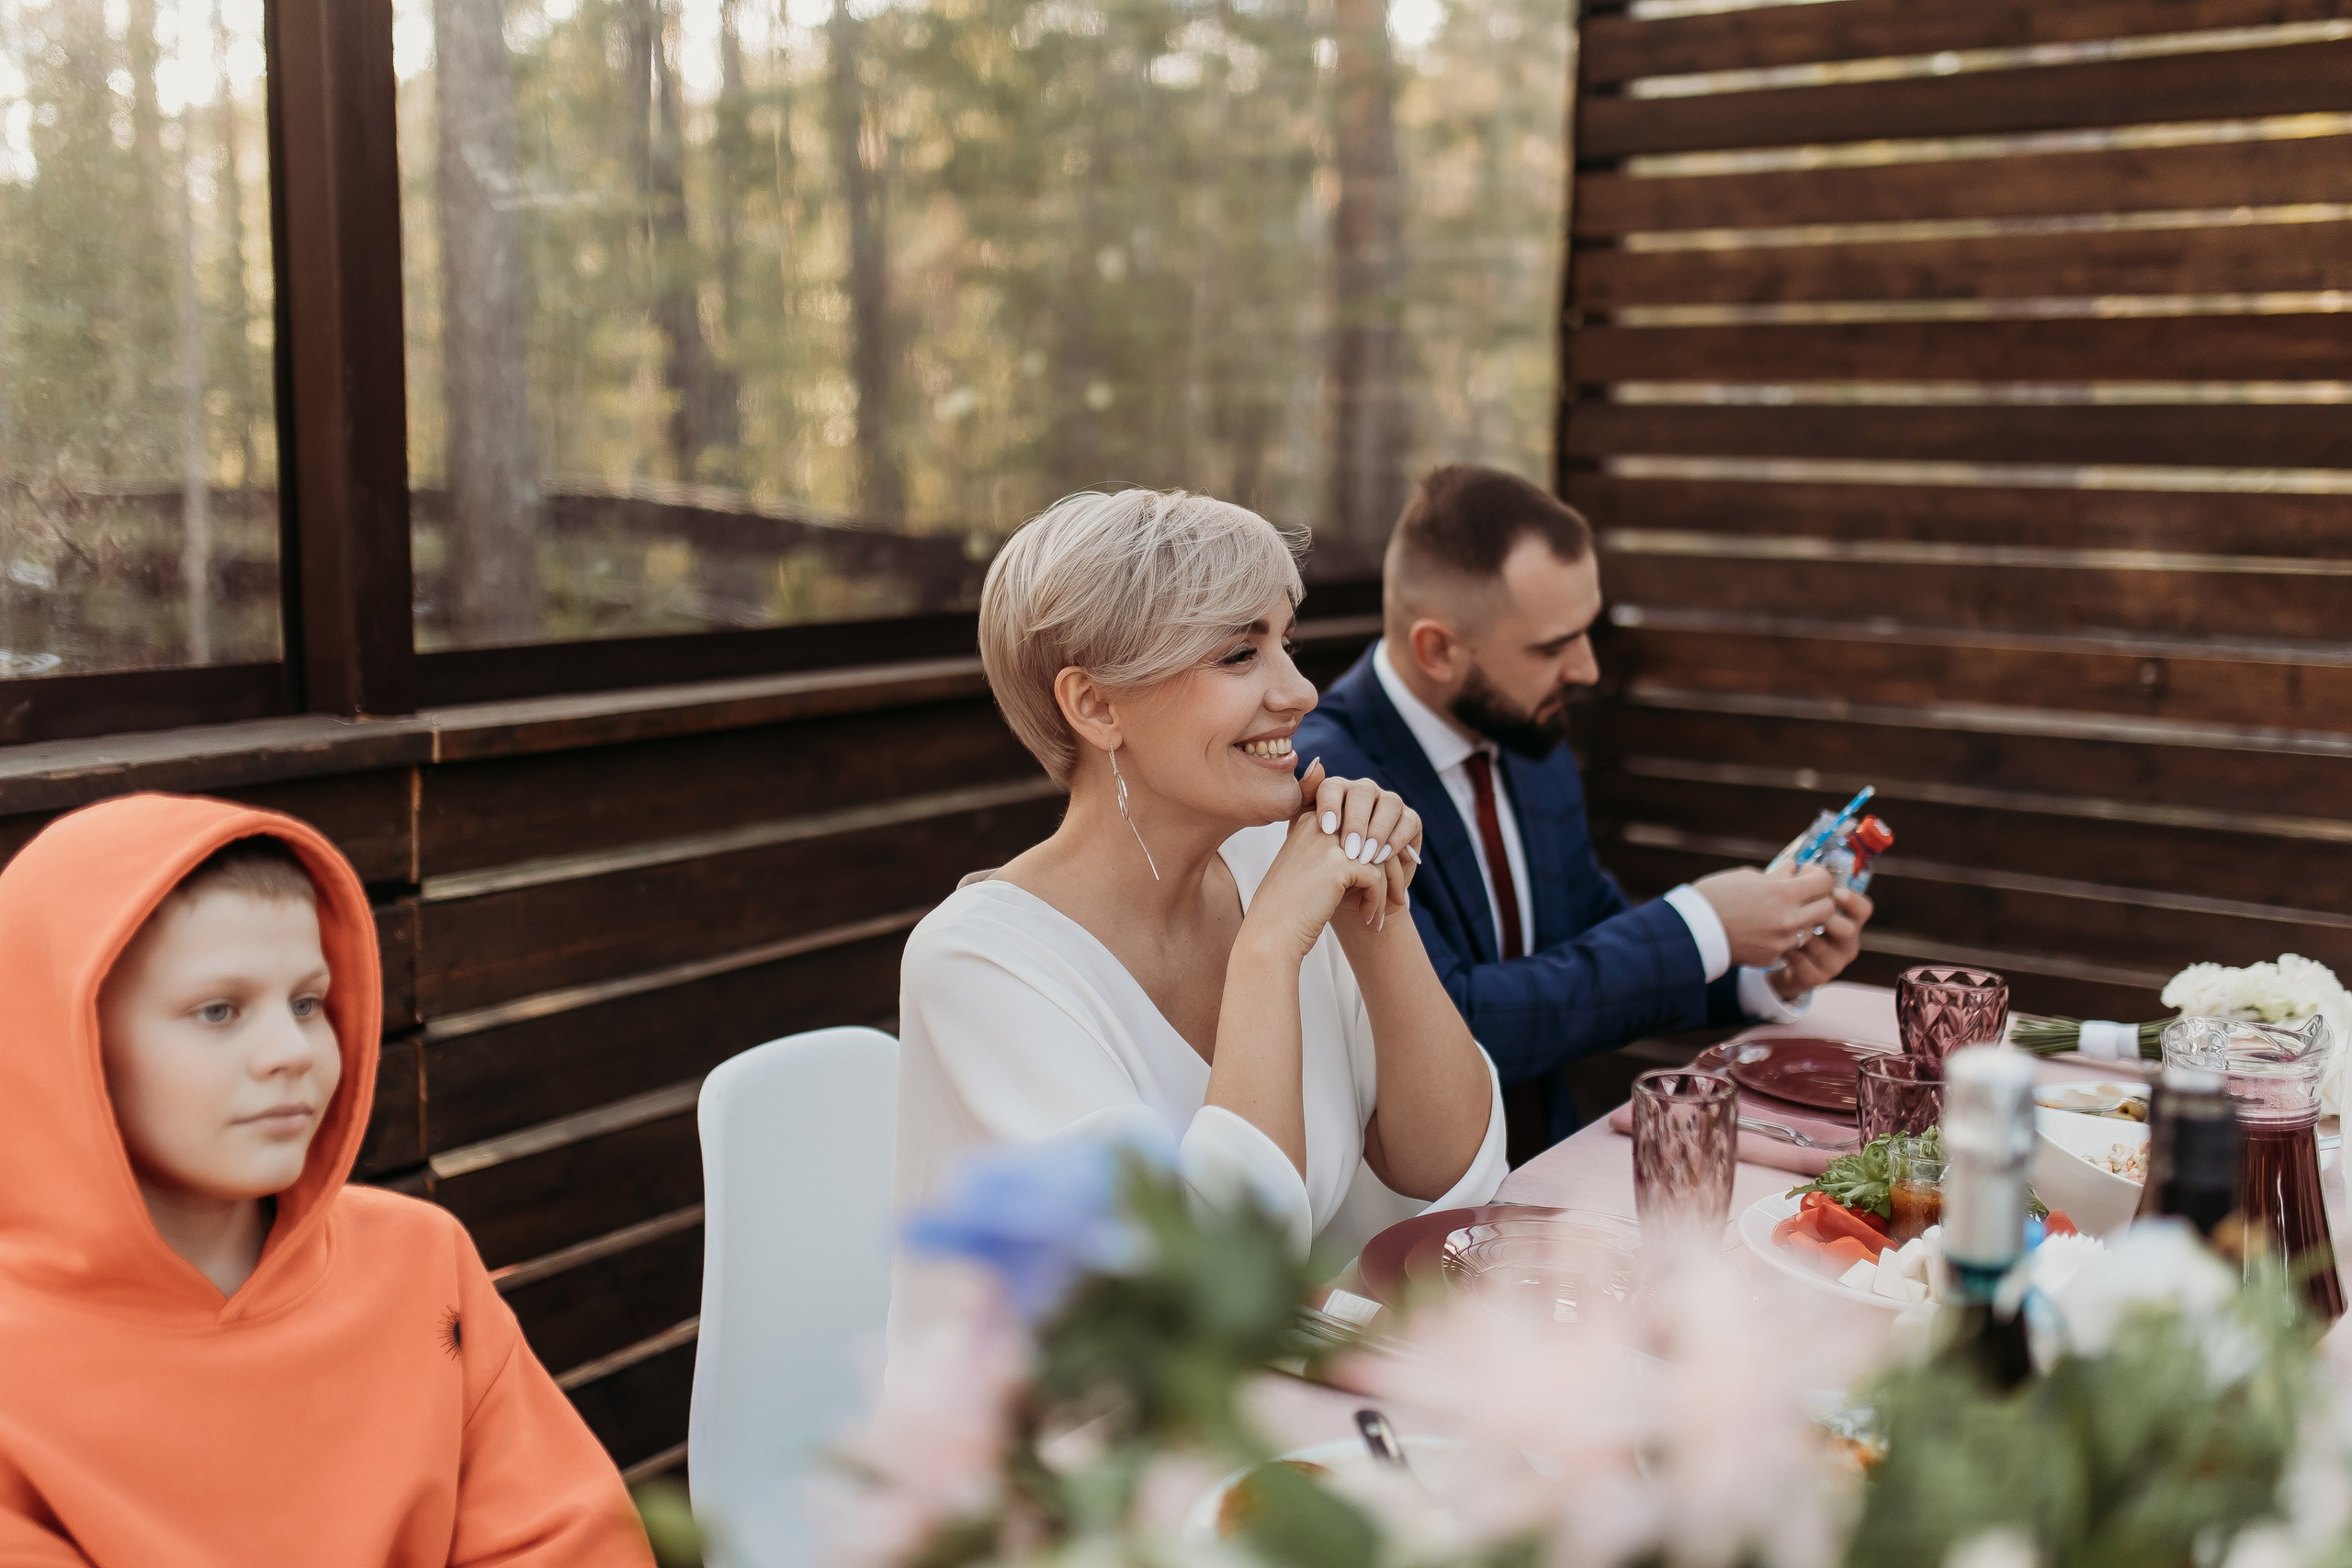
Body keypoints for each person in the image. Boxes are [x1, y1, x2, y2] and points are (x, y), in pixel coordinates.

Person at [0, 794, 654, 1567]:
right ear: (65, 1041)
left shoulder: (422, 1260)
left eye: (308, 1001)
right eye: (218, 1010)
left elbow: (570, 1539)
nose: (292, 1049)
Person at [895, 489, 1507, 1292]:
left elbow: (1454, 1174)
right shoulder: (975, 965)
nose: (1300, 692)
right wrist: (1266, 951)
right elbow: (1197, 1287)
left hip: (1292, 1392)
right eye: (1237, 654)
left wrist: (1376, 914)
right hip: (1097, 1417)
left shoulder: (1278, 866)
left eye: (1286, 643)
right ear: (1095, 705)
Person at [1295, 466, 1873, 1157]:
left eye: (1586, 632)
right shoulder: (1334, 783)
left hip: (1552, 1170)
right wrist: (1701, 926)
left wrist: (1763, 965)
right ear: (1436, 649)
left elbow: (1589, 939)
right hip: (1413, 1212)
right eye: (1550, 646)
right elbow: (1457, 1021)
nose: (1589, 669)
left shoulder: (1529, 738)